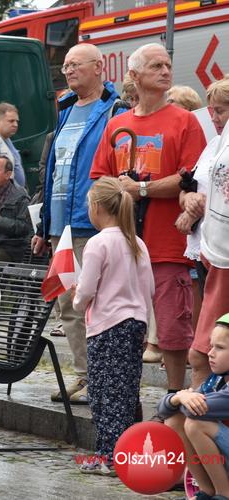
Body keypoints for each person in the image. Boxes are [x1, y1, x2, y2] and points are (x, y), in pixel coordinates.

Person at [91, 42, 206, 400]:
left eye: (167, 65)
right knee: (124, 325)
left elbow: (191, 178)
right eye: (156, 66)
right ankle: (125, 398)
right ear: (135, 75)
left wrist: (141, 188)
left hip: (168, 244)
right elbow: (100, 179)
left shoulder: (185, 121)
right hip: (124, 245)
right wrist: (119, 191)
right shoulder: (118, 125)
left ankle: (174, 395)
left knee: (172, 327)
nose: (166, 71)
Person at [32, 43, 124, 405]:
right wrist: (45, 227)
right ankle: (85, 375)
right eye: (65, 66)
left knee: (97, 303)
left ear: (98, 67)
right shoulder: (66, 109)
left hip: (93, 222)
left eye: (75, 65)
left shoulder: (114, 110)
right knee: (68, 305)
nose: (68, 70)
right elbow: (53, 170)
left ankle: (102, 377)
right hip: (61, 226)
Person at [71, 177, 154, 476]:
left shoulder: (98, 243)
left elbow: (87, 290)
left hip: (107, 326)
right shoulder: (137, 242)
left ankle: (109, 456)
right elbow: (149, 289)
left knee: (104, 393)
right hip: (135, 324)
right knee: (126, 391)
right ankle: (124, 452)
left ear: (96, 207)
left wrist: (77, 299)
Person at [177, 76, 229, 386]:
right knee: (208, 347)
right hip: (204, 249)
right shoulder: (214, 146)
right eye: (211, 111)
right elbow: (188, 187)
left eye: (220, 111)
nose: (214, 118)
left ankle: (199, 408)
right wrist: (188, 201)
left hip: (223, 256)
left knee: (204, 351)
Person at [160, 314, 229, 499]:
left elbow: (195, 409)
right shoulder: (216, 380)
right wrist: (178, 397)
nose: (210, 353)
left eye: (220, 348)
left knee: (195, 424)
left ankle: (224, 493)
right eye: (211, 346)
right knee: (174, 420)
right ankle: (206, 491)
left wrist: (181, 397)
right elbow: (164, 411)